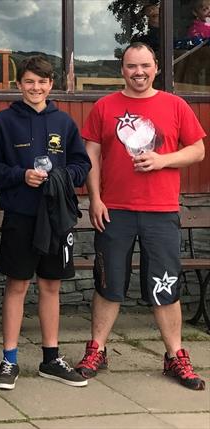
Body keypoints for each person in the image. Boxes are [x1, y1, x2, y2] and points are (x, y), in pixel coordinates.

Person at [75, 42, 206, 391]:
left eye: (145, 65)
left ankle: (175, 355)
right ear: (122, 69)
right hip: (115, 211)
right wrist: (95, 199)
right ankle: (97, 350)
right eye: (132, 66)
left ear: (156, 68)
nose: (139, 72)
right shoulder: (105, 107)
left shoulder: (175, 105)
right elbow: (91, 155)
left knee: (165, 286)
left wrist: (163, 160)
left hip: (161, 212)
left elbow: (198, 149)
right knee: (108, 284)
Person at [0, 56, 91, 391]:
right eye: (29, 82)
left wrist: (62, 176)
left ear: (50, 85)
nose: (36, 88)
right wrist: (19, 175)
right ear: (19, 84)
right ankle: (9, 359)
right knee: (16, 285)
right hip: (21, 216)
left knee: (51, 285)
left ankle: (50, 359)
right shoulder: (5, 122)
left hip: (56, 217)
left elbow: (81, 163)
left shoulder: (65, 122)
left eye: (42, 82)